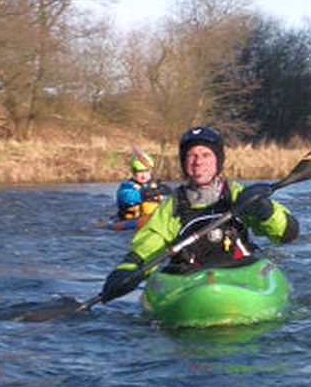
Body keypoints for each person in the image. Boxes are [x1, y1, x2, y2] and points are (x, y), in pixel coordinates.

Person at [100, 126, 299, 298]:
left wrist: (265, 210)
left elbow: (286, 235)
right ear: (184, 163)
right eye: (191, 156)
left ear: (217, 161)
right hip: (190, 278)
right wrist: (126, 270)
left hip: (241, 272)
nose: (198, 162)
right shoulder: (173, 205)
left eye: (206, 155)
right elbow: (150, 243)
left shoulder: (239, 195)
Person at [114, 149, 166, 224]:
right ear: (134, 172)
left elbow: (169, 198)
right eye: (140, 172)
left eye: (146, 171)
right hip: (129, 222)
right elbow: (127, 197)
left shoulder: (159, 186)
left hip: (151, 220)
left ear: (150, 171)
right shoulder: (126, 187)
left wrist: (164, 194)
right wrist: (147, 194)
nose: (144, 175)